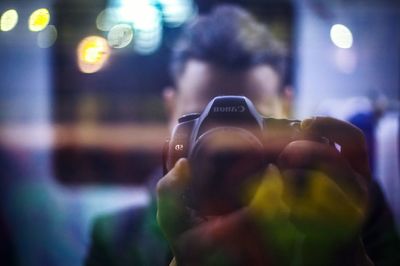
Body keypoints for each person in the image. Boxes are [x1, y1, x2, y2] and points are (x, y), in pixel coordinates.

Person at [85, 5, 400, 266]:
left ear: (286, 109)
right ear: (172, 110)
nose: (228, 146)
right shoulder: (115, 237)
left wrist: (345, 253)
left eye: (253, 121)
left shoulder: (347, 204)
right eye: (203, 120)